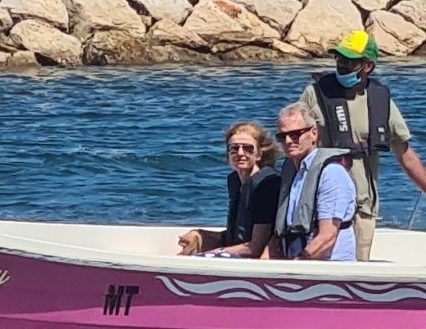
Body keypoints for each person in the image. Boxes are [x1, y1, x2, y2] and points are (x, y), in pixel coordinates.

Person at [299, 30, 426, 260]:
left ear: (368, 66)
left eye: (350, 61)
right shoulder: (315, 94)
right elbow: (293, 141)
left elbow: (405, 154)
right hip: (321, 204)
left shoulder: (380, 101)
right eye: (339, 58)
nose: (342, 65)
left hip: (362, 206)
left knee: (357, 265)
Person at [178, 121, 281, 258]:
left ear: (259, 154)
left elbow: (255, 247)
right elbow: (236, 237)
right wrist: (200, 235)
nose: (240, 153)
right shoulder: (235, 181)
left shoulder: (267, 185)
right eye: (234, 148)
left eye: (248, 148)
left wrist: (212, 253)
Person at [273, 102, 357, 262]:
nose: (288, 141)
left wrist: (297, 264)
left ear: (313, 133)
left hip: (329, 266)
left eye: (295, 134)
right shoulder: (292, 172)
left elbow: (327, 237)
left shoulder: (331, 173)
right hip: (297, 259)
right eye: (282, 137)